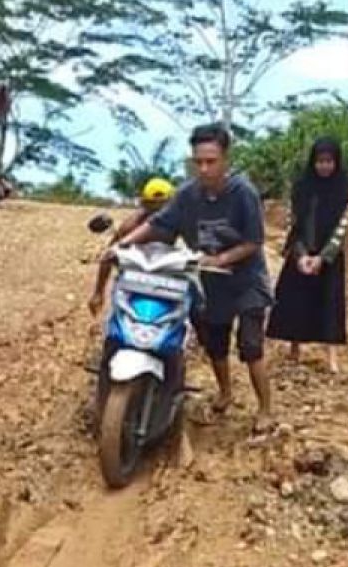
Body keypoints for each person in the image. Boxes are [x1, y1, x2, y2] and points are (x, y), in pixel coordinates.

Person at [114, 123, 275, 433]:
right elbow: (159, 222)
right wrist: (123, 244)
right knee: (214, 343)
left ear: (226, 159)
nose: (204, 168)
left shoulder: (243, 193)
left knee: (251, 347)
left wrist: (220, 259)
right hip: (209, 282)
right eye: (198, 161)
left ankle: (265, 408)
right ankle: (225, 393)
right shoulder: (187, 194)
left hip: (246, 282)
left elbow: (254, 241)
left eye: (211, 161)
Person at [266, 137, 348, 373]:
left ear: (336, 162)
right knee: (296, 301)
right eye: (320, 161)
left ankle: (332, 358)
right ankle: (294, 349)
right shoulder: (301, 188)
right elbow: (293, 222)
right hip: (301, 252)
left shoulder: (345, 189)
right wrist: (301, 255)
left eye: (329, 161)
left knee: (330, 306)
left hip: (330, 258)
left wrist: (323, 258)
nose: (324, 166)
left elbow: (342, 227)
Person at [88, 177, 176, 316]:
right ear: (144, 203)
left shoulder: (175, 223)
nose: (157, 210)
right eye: (152, 205)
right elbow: (108, 257)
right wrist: (98, 292)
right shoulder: (131, 225)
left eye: (163, 205)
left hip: (165, 282)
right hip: (132, 283)